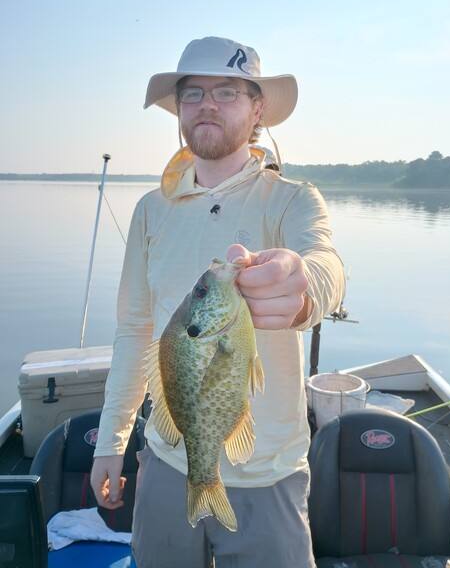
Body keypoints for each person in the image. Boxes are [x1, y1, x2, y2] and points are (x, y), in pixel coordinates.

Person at [91, 36, 346, 568]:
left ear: (257, 110)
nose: (206, 104)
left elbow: (325, 267)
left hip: (267, 471)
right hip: (165, 459)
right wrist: (110, 440)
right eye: (192, 94)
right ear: (179, 111)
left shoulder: (293, 199)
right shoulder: (149, 210)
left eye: (227, 92)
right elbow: (135, 330)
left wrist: (301, 290)